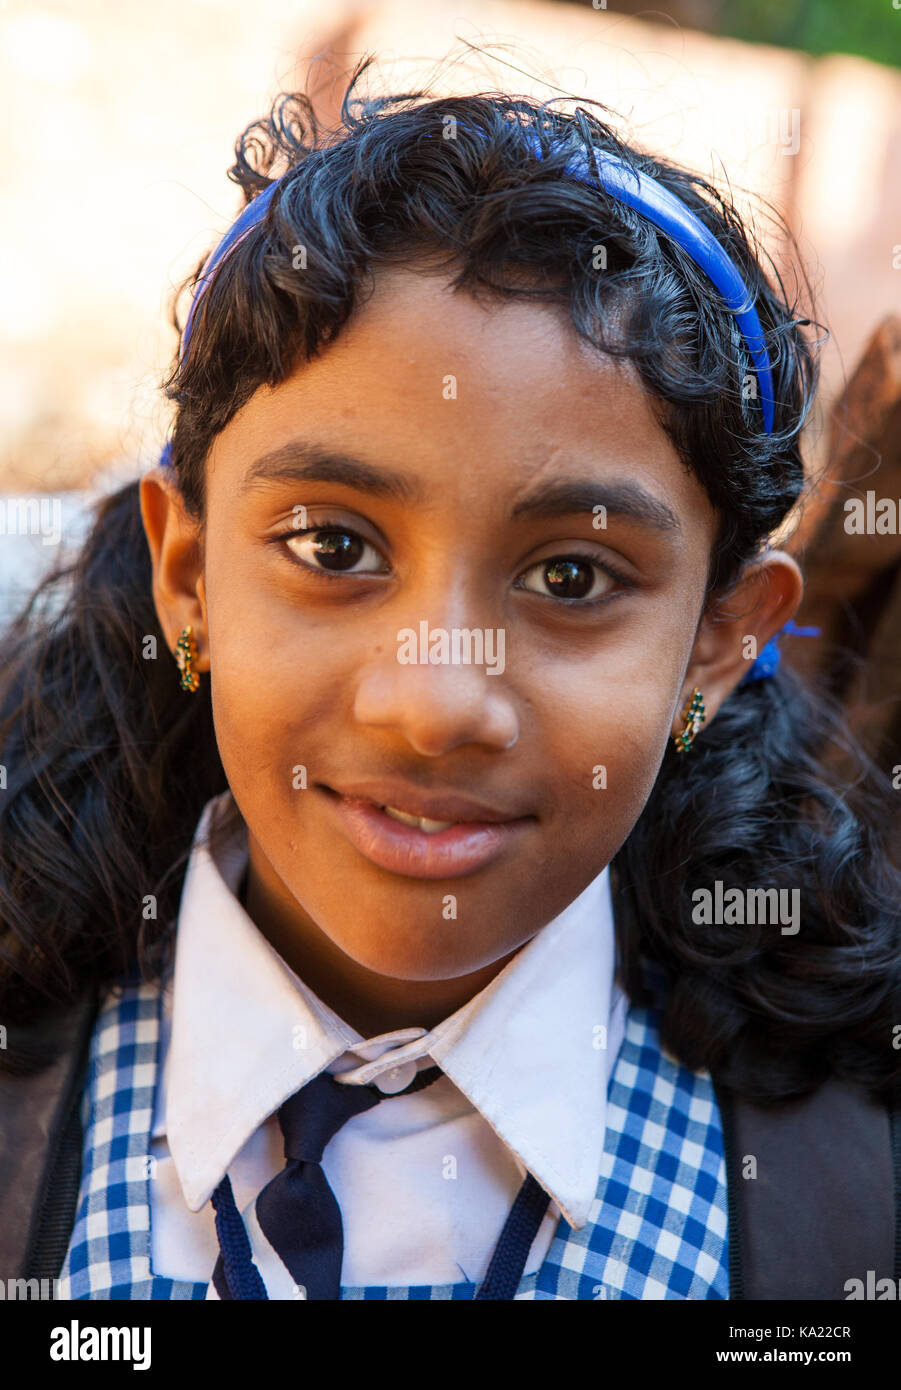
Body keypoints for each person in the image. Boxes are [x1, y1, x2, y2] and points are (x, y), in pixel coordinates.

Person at [1, 60, 899, 1301]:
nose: (432, 707)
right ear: (190, 573)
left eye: (573, 578)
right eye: (333, 547)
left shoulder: (849, 1203)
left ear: (721, 638)